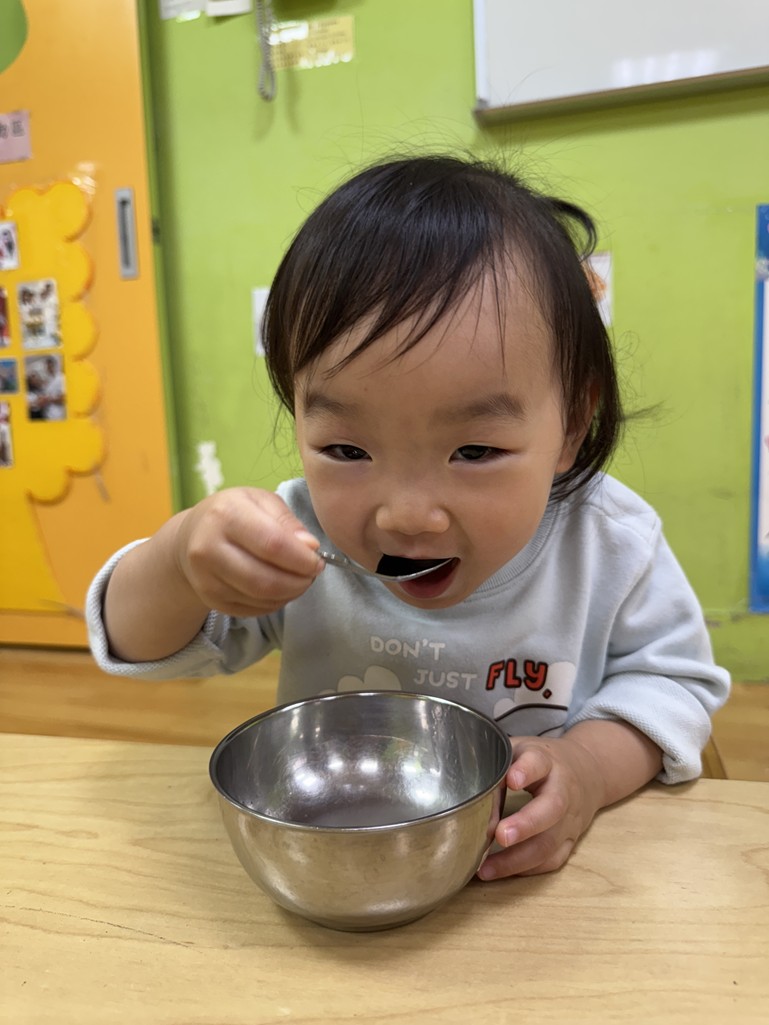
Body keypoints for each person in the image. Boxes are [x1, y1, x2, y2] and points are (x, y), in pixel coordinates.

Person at [86, 154, 730, 880]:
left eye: (475, 450)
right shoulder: (294, 534)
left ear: (571, 425)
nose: (407, 516)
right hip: (338, 865)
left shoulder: (608, 541)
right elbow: (135, 642)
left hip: (541, 884)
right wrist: (178, 561)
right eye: (347, 449)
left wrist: (587, 767)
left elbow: (675, 685)